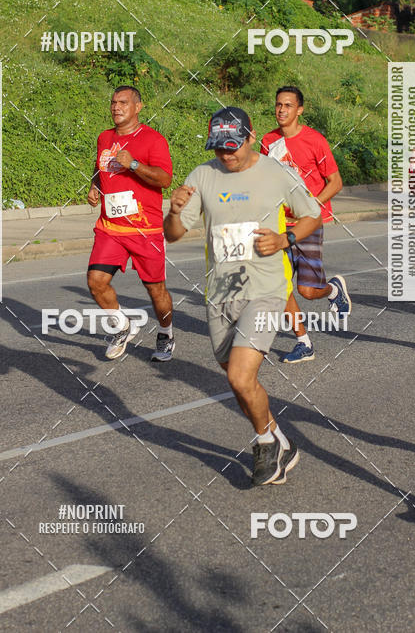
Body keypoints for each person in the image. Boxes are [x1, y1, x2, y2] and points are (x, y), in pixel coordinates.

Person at [164, 106, 322, 486]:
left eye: (232, 146)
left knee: (239, 375)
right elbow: (173, 234)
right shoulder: (202, 175)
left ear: (251, 137)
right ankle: (282, 442)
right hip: (220, 292)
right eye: (219, 148)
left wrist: (284, 239)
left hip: (266, 290)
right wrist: (173, 211)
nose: (226, 155)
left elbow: (312, 214)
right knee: (238, 381)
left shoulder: (276, 172)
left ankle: (264, 443)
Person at [261, 86, 351, 364]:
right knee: (280, 286)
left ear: (299, 110)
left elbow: (335, 182)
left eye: (288, 105)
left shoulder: (314, 140)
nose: (281, 110)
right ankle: (304, 343)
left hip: (308, 222)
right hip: (279, 223)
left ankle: (333, 290)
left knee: (308, 292)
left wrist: (310, 205)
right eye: (278, 104)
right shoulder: (268, 141)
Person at [87, 86, 175, 361]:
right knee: (96, 282)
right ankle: (123, 326)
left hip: (145, 229)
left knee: (155, 290)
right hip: (110, 228)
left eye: (123, 103)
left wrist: (134, 165)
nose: (116, 107)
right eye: (114, 102)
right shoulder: (104, 137)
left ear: (138, 107)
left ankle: (166, 333)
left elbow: (165, 179)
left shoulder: (152, 139)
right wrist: (95, 185)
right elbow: (99, 165)